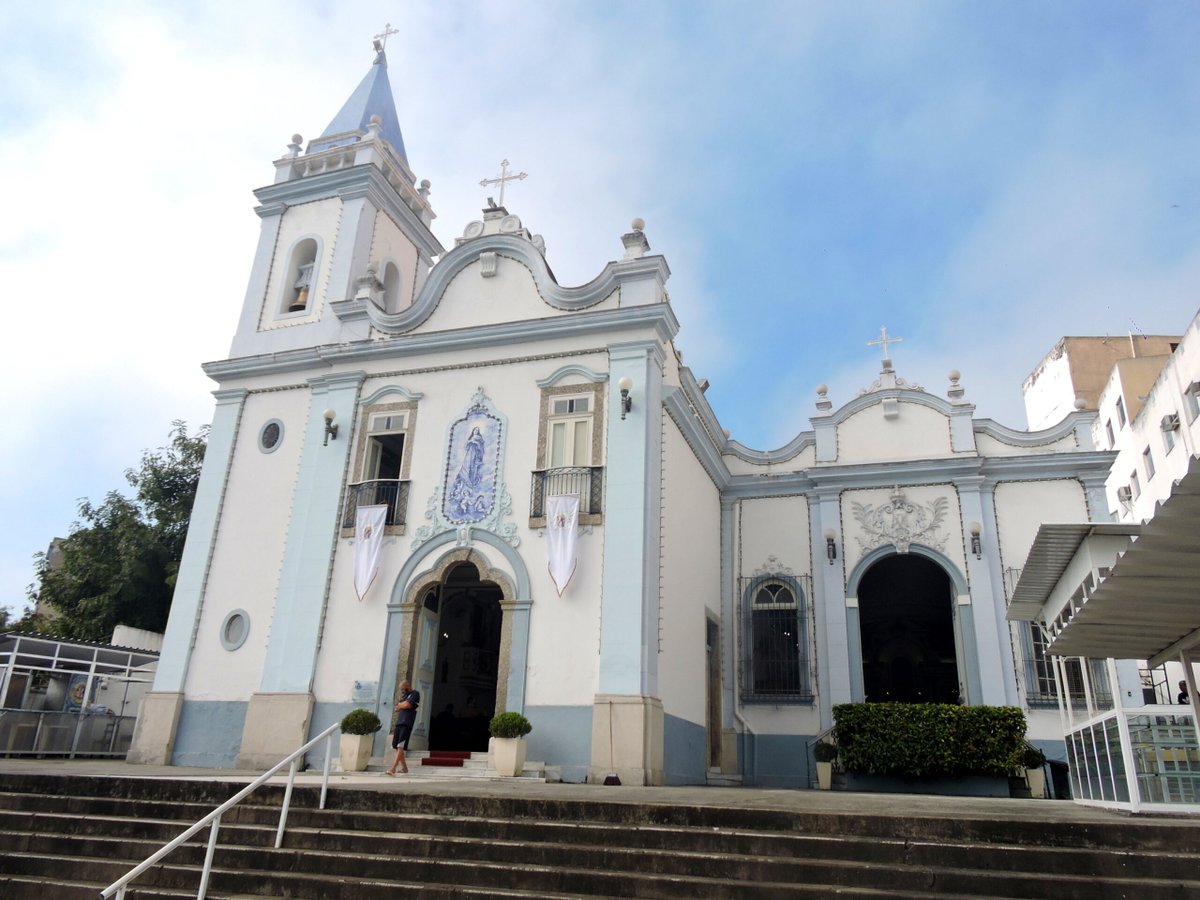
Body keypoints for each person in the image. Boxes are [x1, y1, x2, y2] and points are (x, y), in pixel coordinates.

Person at [384, 680, 420, 775]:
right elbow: (396, 708)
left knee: (401, 746)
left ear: (407, 686)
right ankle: (404, 768)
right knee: (396, 746)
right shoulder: (404, 696)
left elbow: (408, 704)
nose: (402, 691)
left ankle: (393, 768)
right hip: (399, 722)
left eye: (403, 689)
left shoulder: (415, 693)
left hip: (407, 722)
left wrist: (402, 705)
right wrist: (402, 705)